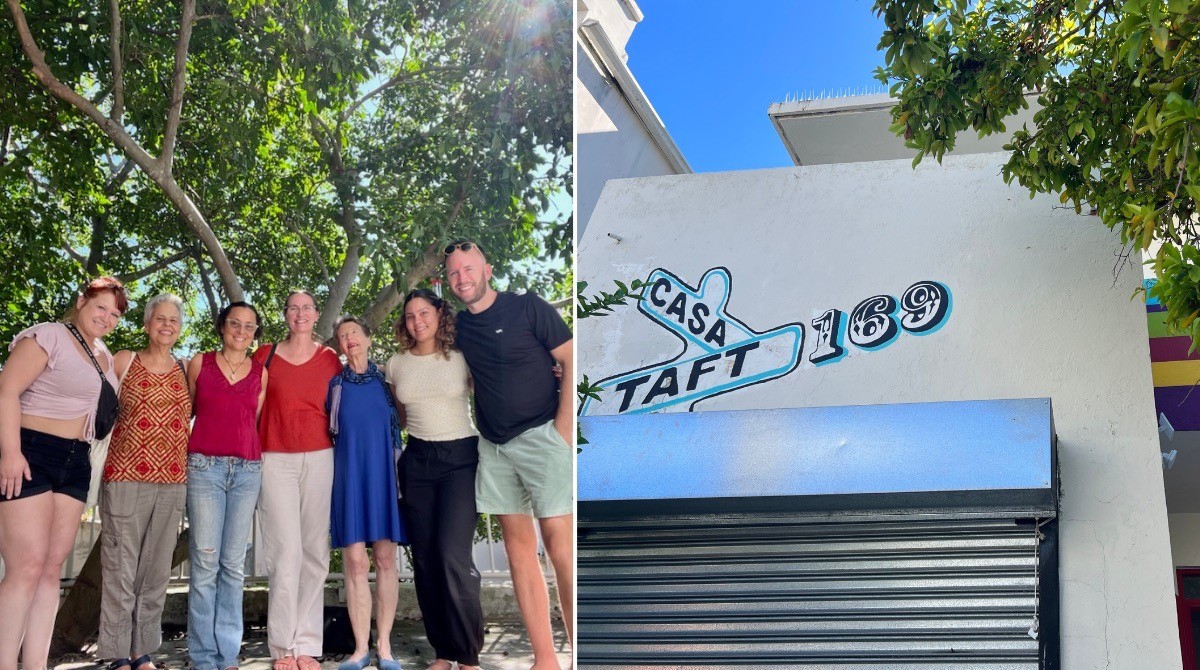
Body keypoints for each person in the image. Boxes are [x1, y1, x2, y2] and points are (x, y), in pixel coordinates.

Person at [443, 240, 574, 668]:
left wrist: (564, 429)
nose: (462, 279)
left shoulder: (528, 306)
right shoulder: (458, 328)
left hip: (542, 437)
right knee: (520, 553)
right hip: (494, 447)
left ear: (487, 269)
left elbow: (571, 358)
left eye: (469, 269)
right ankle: (545, 659)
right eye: (454, 274)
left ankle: (581, 653)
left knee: (560, 547)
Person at [0, 276, 127, 670]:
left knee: (51, 568)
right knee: (26, 566)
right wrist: (10, 453)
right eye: (100, 307)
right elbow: (6, 392)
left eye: (115, 313)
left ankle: (34, 664)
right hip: (31, 451)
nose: (106, 317)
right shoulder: (49, 335)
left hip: (76, 461)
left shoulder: (105, 356)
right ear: (81, 301)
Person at [386, 289, 483, 670]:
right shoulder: (395, 364)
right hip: (418, 460)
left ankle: (468, 656)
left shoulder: (462, 356)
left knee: (452, 556)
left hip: (461, 458)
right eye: (410, 316)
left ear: (440, 314)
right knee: (425, 560)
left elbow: (494, 386)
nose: (417, 321)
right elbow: (400, 420)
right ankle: (444, 652)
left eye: (424, 313)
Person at [97, 293, 191, 670]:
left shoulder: (186, 369)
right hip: (124, 477)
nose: (166, 325)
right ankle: (118, 654)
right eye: (159, 319)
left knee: (154, 572)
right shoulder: (124, 361)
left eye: (173, 320)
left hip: (172, 480)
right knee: (120, 568)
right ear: (147, 324)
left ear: (180, 327)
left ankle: (143, 651)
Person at [252, 291, 342, 670]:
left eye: (306, 308)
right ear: (285, 315)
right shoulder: (265, 354)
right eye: (293, 308)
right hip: (274, 457)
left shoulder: (329, 359)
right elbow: (249, 403)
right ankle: (282, 648)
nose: (300, 314)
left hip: (321, 456)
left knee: (314, 552)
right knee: (284, 552)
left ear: (316, 315)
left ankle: (306, 645)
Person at [185, 301, 268, 670]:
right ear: (222, 326)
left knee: (233, 566)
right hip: (204, 469)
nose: (241, 330)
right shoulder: (199, 363)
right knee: (204, 564)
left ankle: (228, 655)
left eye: (249, 326)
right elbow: (183, 412)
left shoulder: (261, 374)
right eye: (235, 323)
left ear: (255, 335)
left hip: (247, 470)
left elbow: (256, 421)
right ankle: (204, 658)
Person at [328, 317, 406, 670]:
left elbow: (404, 423)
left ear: (368, 338)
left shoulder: (388, 380)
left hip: (385, 476)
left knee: (386, 560)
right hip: (349, 478)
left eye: (355, 332)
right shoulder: (334, 385)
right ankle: (360, 649)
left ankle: (385, 646)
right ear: (340, 345)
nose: (349, 339)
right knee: (356, 563)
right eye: (343, 336)